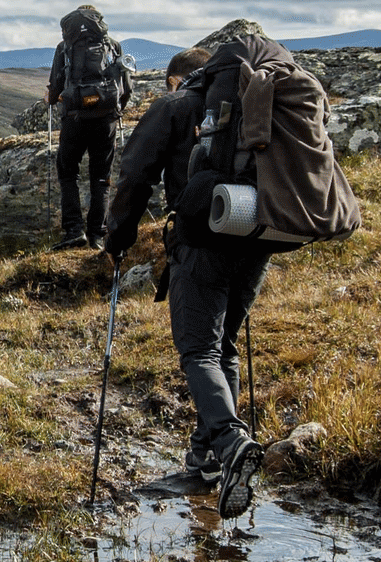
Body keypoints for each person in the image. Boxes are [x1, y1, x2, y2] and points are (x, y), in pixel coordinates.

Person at [100, 42, 266, 519]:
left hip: (203, 241)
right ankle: (208, 462)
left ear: (179, 78)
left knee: (200, 350)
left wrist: (117, 239)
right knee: (224, 346)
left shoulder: (175, 105)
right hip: (256, 236)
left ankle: (231, 445)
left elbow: (134, 175)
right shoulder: (256, 103)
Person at [44, 5, 134, 249]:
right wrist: (117, 111)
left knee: (68, 172)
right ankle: (97, 235)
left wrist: (51, 99)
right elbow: (126, 87)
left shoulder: (64, 48)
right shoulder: (113, 45)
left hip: (74, 119)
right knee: (101, 177)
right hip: (106, 120)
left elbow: (55, 87)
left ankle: (73, 231)